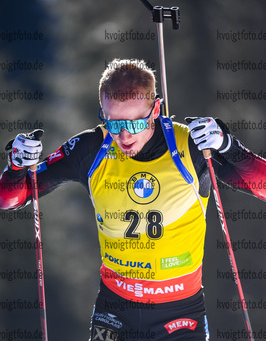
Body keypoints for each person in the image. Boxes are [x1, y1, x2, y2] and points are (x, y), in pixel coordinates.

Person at [0, 58, 265, 340]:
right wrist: (16, 166)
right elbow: (10, 199)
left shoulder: (189, 146)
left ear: (155, 110)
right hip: (115, 310)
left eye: (134, 123)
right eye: (113, 123)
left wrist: (229, 145)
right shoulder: (91, 148)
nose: (124, 136)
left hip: (179, 311)